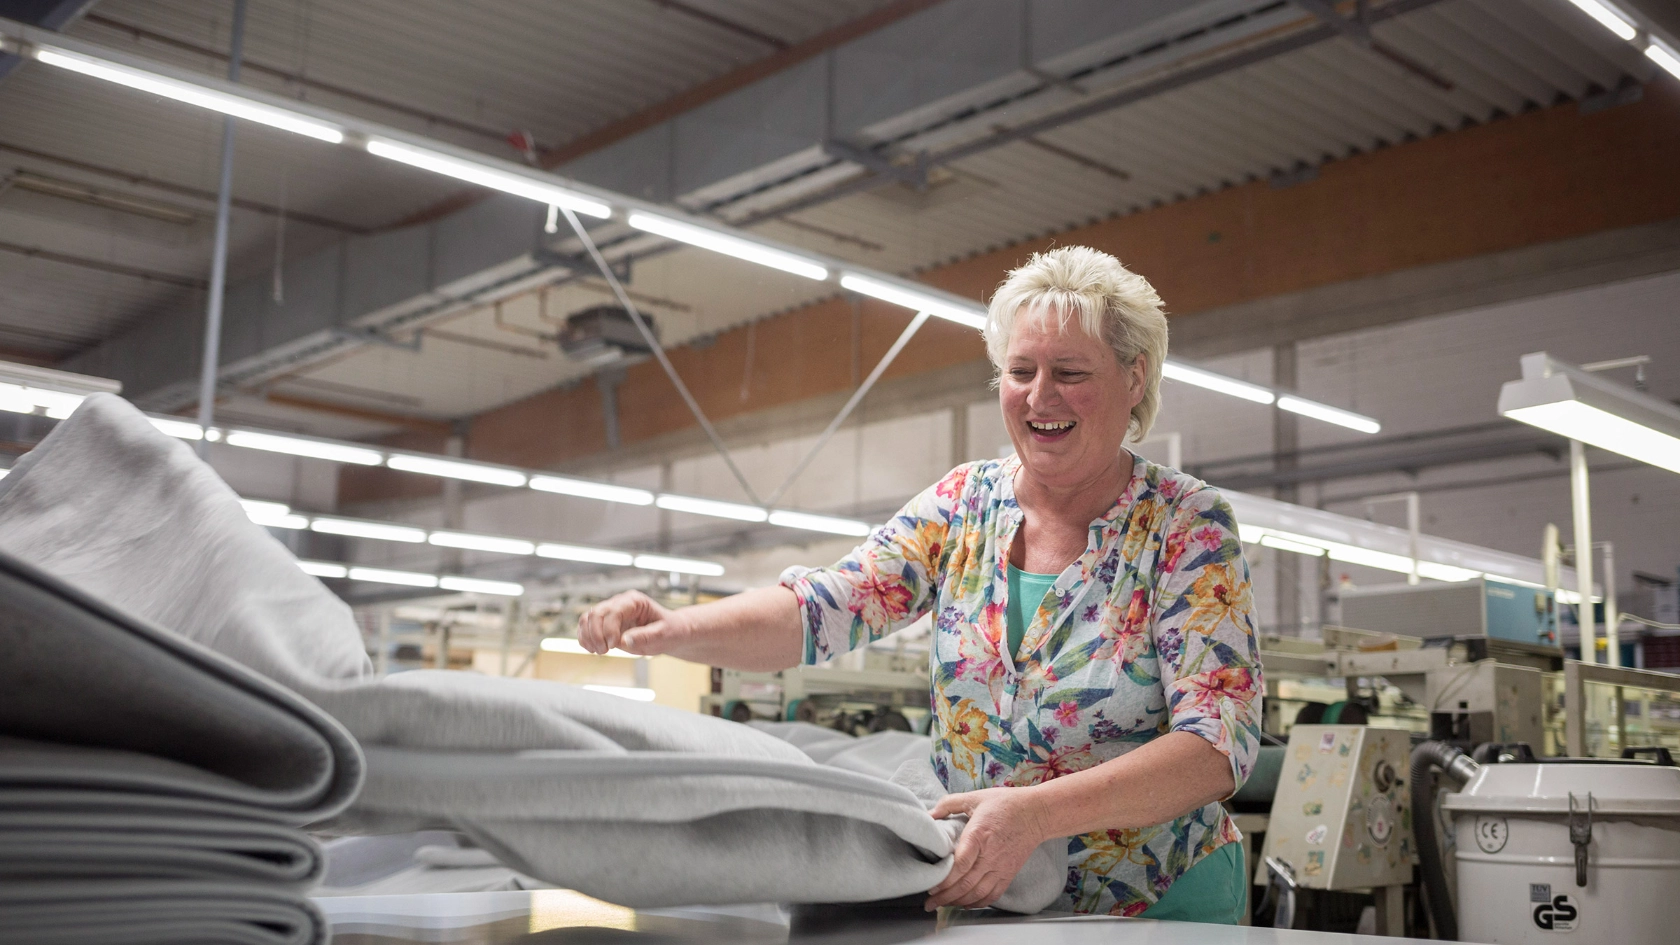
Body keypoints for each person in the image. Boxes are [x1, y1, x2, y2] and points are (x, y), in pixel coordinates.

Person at [579, 246, 1263, 921]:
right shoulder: (963, 505)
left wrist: (1035, 816)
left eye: (1070, 371)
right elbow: (821, 609)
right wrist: (673, 627)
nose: (1039, 395)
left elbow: (1216, 744)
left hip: (1158, 899)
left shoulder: (1185, 525)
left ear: (1135, 377)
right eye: (1019, 370)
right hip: (995, 889)